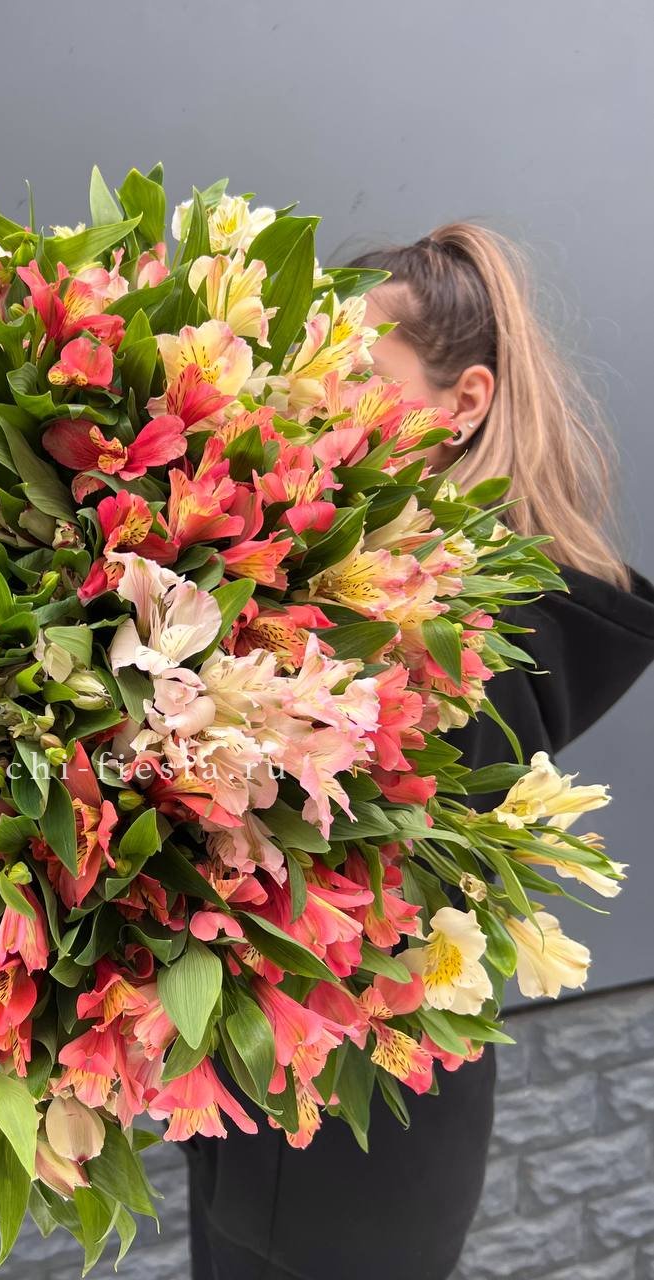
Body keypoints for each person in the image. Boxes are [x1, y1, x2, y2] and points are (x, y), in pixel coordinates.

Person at [186, 222, 654, 1280]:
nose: (320, 399)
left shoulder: (460, 632)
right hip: (298, 1115)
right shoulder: (379, 586)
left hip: (348, 1143)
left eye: (359, 372)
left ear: (465, 400)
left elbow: (340, 862)